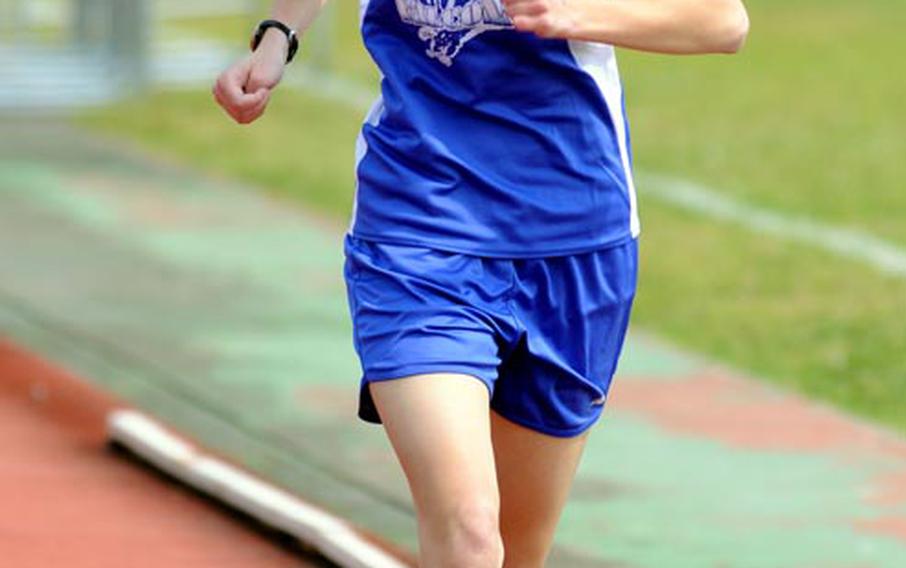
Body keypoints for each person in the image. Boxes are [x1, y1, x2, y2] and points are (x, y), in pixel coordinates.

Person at [214, 0, 749, 566]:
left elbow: (722, 21)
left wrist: (575, 13)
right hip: (419, 228)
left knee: (517, 553)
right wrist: (278, 36)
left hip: (576, 240)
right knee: (468, 532)